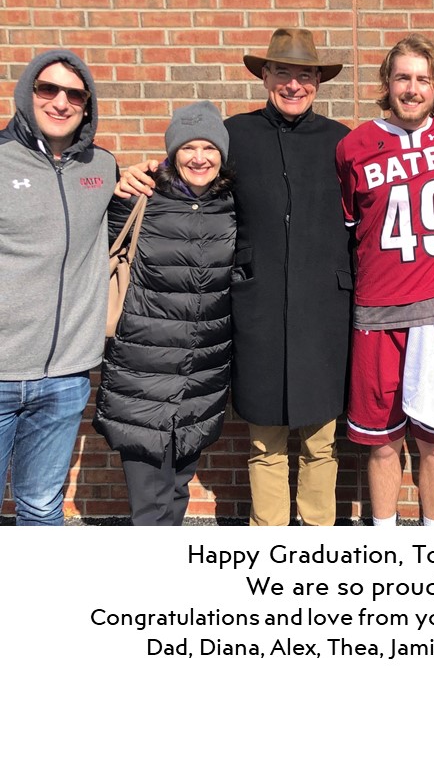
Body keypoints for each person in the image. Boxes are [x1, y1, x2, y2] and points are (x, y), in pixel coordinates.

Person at [117, 28, 353, 527]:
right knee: (265, 441)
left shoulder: (340, 141)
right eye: (283, 72)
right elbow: (187, 172)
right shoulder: (235, 135)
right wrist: (140, 175)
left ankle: (320, 545)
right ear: (265, 76)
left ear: (318, 81)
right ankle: (267, 543)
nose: (294, 84)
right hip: (257, 309)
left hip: (323, 312)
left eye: (305, 74)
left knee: (320, 444)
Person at [335, 33, 434, 527]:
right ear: (387, 83)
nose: (412, 89)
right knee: (381, 443)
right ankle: (386, 543)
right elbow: (349, 229)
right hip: (376, 311)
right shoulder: (354, 145)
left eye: (423, 79)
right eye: (403, 78)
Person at [93, 102, 236, 526]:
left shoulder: (228, 202)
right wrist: (121, 185)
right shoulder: (140, 196)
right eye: (188, 147)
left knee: (176, 490)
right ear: (171, 153)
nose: (198, 157)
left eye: (209, 148)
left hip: (201, 375)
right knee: (150, 499)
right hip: (144, 372)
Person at [0, 50, 117, 526]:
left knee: (42, 505)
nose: (61, 102)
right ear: (28, 94)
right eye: (48, 89)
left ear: (86, 105)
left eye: (74, 93)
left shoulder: (104, 167)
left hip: (66, 376)